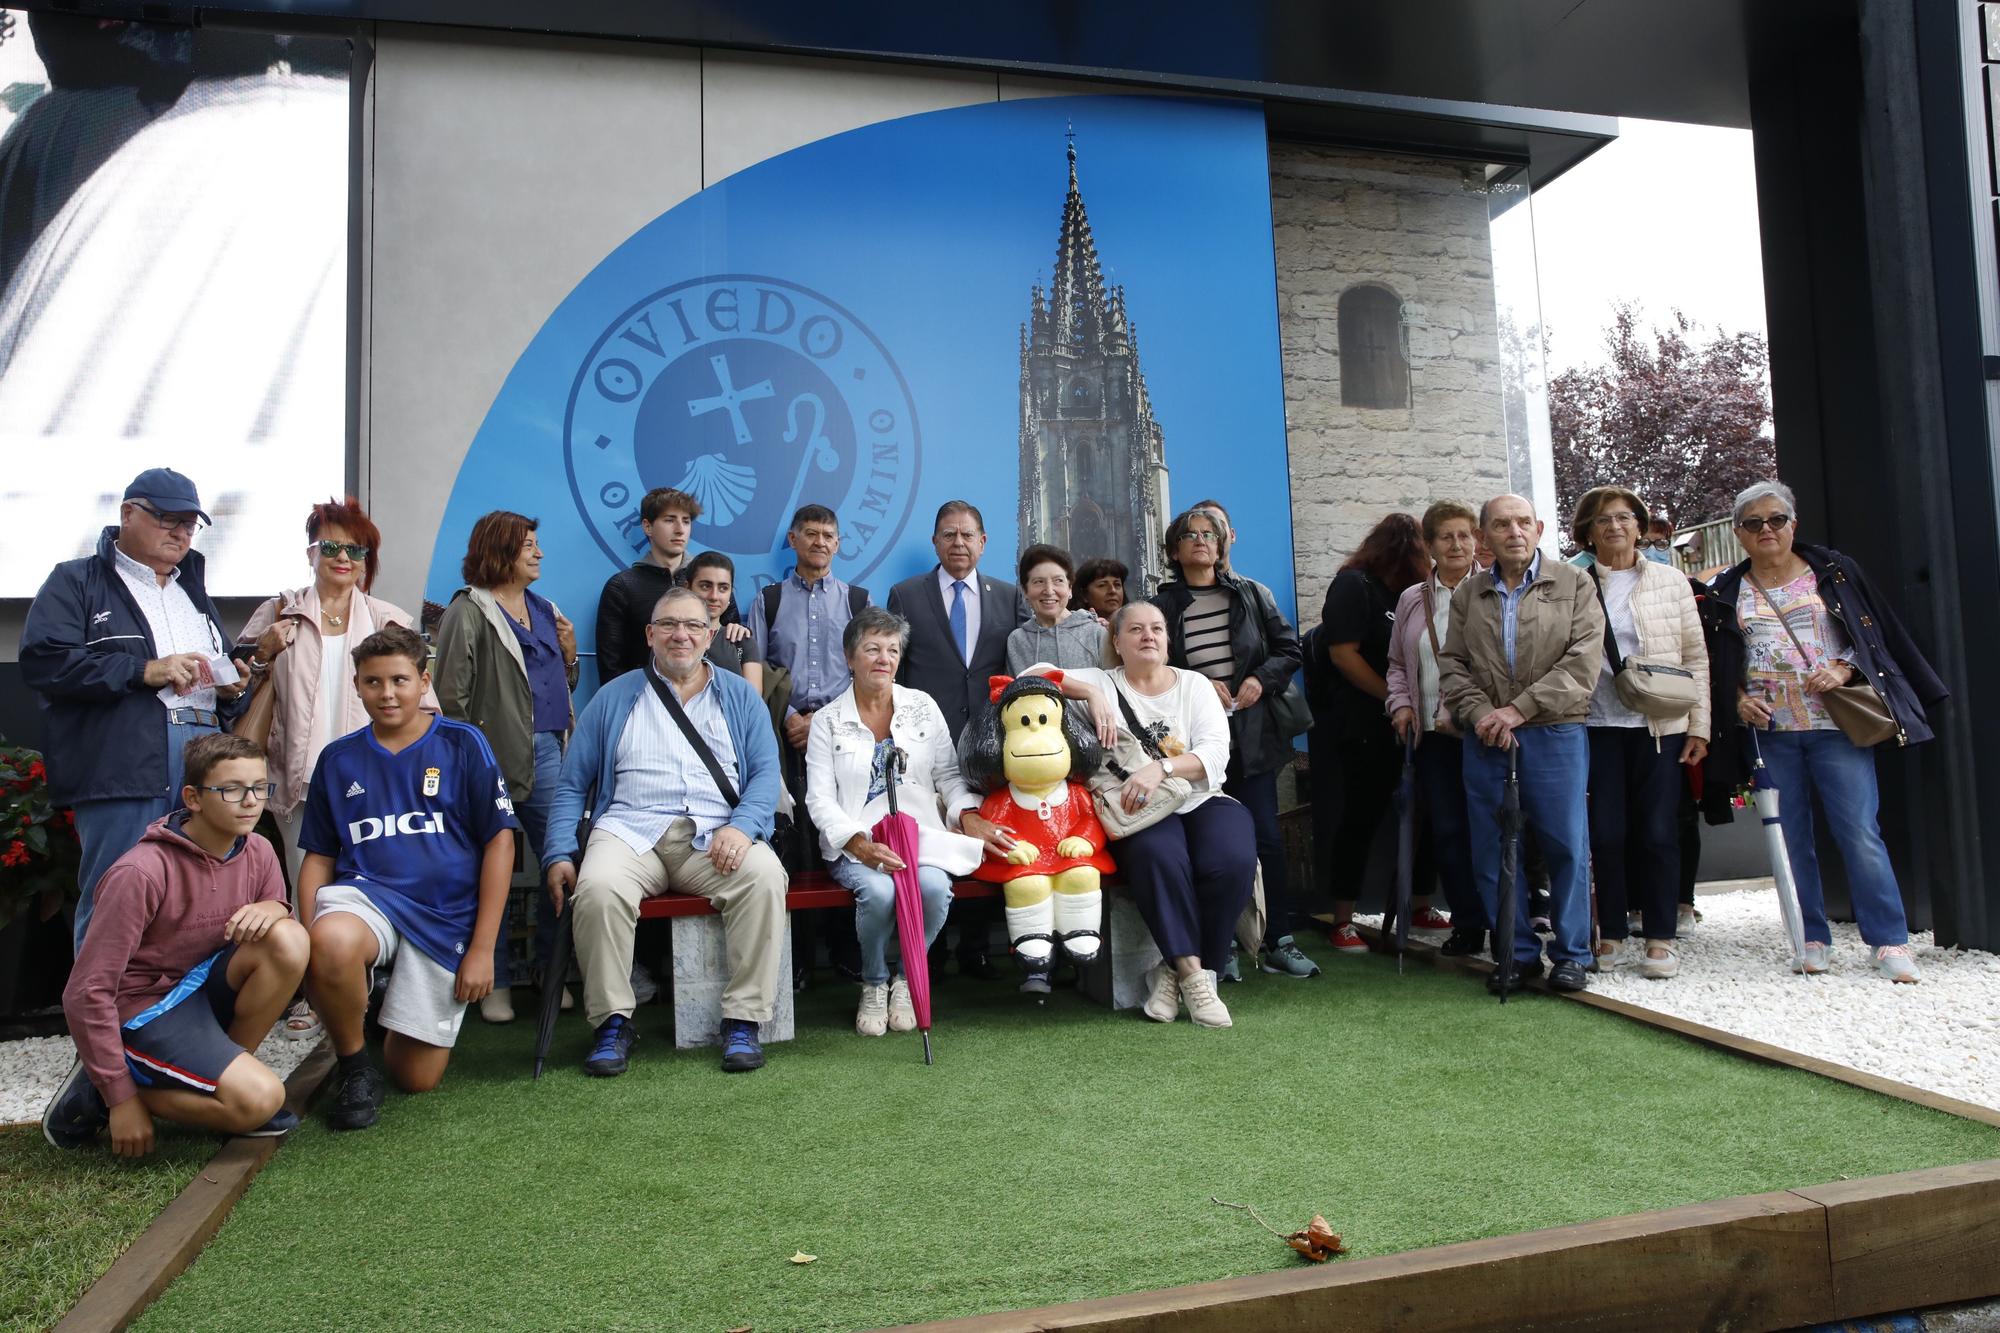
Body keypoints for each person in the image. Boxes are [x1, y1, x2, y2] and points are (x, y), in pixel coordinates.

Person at [1709, 480, 1947, 981]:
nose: (1766, 530)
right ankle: (1810, 937)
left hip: (1836, 726)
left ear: (1793, 524)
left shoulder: (1833, 571)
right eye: (1753, 523)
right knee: (1790, 838)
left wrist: (1844, 668)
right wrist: (1735, 700)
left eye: (1776, 519)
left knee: (1859, 832)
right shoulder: (1727, 590)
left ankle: (1889, 942)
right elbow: (1718, 661)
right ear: (1739, 533)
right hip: (1770, 731)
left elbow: (1875, 635)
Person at [544, 588, 787, 1075]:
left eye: (694, 626)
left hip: (715, 835)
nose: (682, 635)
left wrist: (742, 828)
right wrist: (557, 853)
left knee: (764, 876)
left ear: (711, 634)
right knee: (598, 889)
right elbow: (572, 784)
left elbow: (765, 775)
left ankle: (742, 1020)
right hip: (630, 831)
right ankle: (612, 1021)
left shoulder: (739, 695)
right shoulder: (615, 697)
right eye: (670, 625)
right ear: (649, 634)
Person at [44, 734, 309, 1153]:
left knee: (289, 938)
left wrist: (276, 909)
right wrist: (122, 1099)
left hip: (203, 992)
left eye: (260, 787)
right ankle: (101, 1092)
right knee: (262, 1101)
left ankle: (225, 1066)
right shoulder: (141, 872)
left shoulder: (258, 849)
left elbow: (279, 926)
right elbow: (85, 992)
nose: (250, 801)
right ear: (194, 798)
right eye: (232, 789)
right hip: (148, 1009)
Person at [299, 626, 519, 1130]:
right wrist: (308, 946)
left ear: (423, 681)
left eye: (399, 680)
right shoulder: (338, 757)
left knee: (415, 1078)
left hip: (445, 919)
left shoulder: (463, 743)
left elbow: (499, 842)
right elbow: (318, 856)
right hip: (367, 900)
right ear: (357, 685)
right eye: (373, 682)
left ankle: (376, 1006)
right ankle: (355, 1067)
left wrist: (484, 950)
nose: (387, 693)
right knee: (331, 940)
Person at [22, 468, 246, 952]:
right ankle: (103, 1022)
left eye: (190, 523)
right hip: (128, 754)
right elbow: (45, 662)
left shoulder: (193, 593)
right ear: (128, 513)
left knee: (198, 897)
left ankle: (168, 1020)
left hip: (205, 749)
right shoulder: (76, 580)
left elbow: (214, 677)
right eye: (167, 518)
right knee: (118, 893)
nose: (180, 532)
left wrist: (233, 689)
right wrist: (143, 670)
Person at [233, 499, 432, 1041]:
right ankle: (310, 993)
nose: (343, 557)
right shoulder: (280, 611)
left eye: (355, 549)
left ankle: (358, 991)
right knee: (310, 887)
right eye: (331, 546)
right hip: (300, 780)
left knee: (367, 886)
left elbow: (426, 706)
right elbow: (231, 687)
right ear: (311, 553)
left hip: (375, 785)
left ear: (367, 559)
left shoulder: (391, 620)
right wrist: (261, 654)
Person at [1031, 602, 1258, 1026]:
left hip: (1201, 797)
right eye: (1135, 629)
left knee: (1232, 860)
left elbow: (1214, 755)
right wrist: (1091, 693)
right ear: (1116, 642)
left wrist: (1161, 767)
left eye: (1156, 628)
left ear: (1168, 640)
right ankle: (1193, 975)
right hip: (1138, 810)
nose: (1147, 636)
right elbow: (1031, 678)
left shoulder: (1194, 686)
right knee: (1159, 858)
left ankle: (1170, 972)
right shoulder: (1099, 679)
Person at [805, 607, 1006, 1032]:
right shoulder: (827, 722)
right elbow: (819, 799)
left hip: (920, 837)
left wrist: (967, 814)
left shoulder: (922, 707)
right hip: (857, 844)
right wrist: (858, 843)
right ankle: (874, 982)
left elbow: (948, 775)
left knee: (934, 889)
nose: (884, 658)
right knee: (877, 894)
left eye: (892, 650)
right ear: (849, 656)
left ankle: (904, 979)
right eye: (872, 648)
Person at [1437, 494, 1603, 995]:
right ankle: (1515, 952)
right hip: (1487, 737)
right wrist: (1483, 713)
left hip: (1554, 732)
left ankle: (1573, 955)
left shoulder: (1575, 584)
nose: (1514, 532)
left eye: (1523, 523)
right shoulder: (1468, 595)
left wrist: (1519, 709)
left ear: (1540, 528)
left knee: (1565, 845)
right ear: (1485, 536)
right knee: (1492, 849)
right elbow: (1452, 664)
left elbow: (1582, 662)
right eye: (1501, 524)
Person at [1150, 507, 1315, 979]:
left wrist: (1260, 681)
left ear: (1222, 545)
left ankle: (1279, 938)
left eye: (1209, 534)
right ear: (1175, 549)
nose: (1200, 541)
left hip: (1253, 734)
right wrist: (1196, 681)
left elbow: (1289, 650)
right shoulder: (1161, 607)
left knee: (1264, 835)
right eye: (1190, 535)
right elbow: (1151, 669)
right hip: (1192, 742)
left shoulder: (1252, 594)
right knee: (1207, 842)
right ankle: (1218, 948)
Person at [433, 511, 577, 1024]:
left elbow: (555, 688)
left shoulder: (546, 608)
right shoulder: (468, 610)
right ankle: (493, 979)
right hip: (486, 758)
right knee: (482, 872)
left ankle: (547, 970)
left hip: (550, 753)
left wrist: (571, 657)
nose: (539, 554)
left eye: (538, 545)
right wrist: (468, 763)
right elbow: (450, 700)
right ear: (499, 550)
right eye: (528, 546)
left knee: (563, 862)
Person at [1570, 486, 1710, 980]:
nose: (1614, 527)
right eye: (1603, 520)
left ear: (1640, 525)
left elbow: (1695, 657)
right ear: (1587, 529)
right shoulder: (1572, 580)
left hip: (1661, 725)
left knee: (1657, 831)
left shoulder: (1670, 581)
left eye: (1625, 518)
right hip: (1596, 724)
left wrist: (1700, 726)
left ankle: (1660, 937)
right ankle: (1609, 932)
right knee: (1606, 834)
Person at [886, 500, 1027, 978]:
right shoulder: (906, 595)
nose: (959, 543)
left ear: (983, 542)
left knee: (983, 834)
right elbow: (894, 675)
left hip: (989, 745)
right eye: (949, 535)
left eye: (968, 535)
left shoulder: (1008, 596)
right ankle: (934, 951)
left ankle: (976, 945)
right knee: (936, 838)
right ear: (935, 542)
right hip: (927, 746)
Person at [1316, 512, 1445, 952]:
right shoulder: (1355, 584)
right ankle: (1343, 918)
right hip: (1366, 721)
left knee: (1430, 814)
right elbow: (1342, 654)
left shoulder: (1421, 594)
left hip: (1423, 722)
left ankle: (1423, 901)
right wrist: (1392, 699)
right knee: (1361, 817)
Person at [1385, 501, 1488, 956]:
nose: (1456, 544)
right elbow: (1395, 664)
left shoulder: (1492, 589)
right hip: (1431, 737)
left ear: (1477, 541)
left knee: (1492, 827)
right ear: (1428, 545)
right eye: (1445, 536)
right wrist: (1401, 704)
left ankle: (1512, 918)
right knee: (1448, 831)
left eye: (1464, 535)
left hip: (1484, 733)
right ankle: (1468, 922)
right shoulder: (1412, 599)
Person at [594, 487, 742, 683]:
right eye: (670, 520)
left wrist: (738, 630)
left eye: (686, 521)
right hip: (644, 703)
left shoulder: (711, 581)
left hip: (709, 700)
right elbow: (610, 668)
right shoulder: (622, 586)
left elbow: (734, 641)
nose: (680, 529)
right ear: (647, 527)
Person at [1646, 511, 1706, 933]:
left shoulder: (1694, 591)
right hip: (1632, 722)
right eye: (1646, 541)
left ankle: (1683, 902)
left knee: (1681, 816)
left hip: (1677, 720)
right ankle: (1637, 904)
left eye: (1660, 542)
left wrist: (1700, 723)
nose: (1653, 549)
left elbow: (1700, 657)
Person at [1008, 544, 1108, 672]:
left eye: (1058, 581)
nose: (1049, 591)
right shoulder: (1017, 641)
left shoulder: (1096, 633)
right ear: (1025, 591)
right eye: (1039, 581)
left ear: (1070, 589)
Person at [686, 551, 764, 693]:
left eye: (723, 588)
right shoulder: (670, 637)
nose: (714, 596)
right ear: (688, 588)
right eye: (705, 586)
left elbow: (753, 704)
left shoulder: (741, 640)